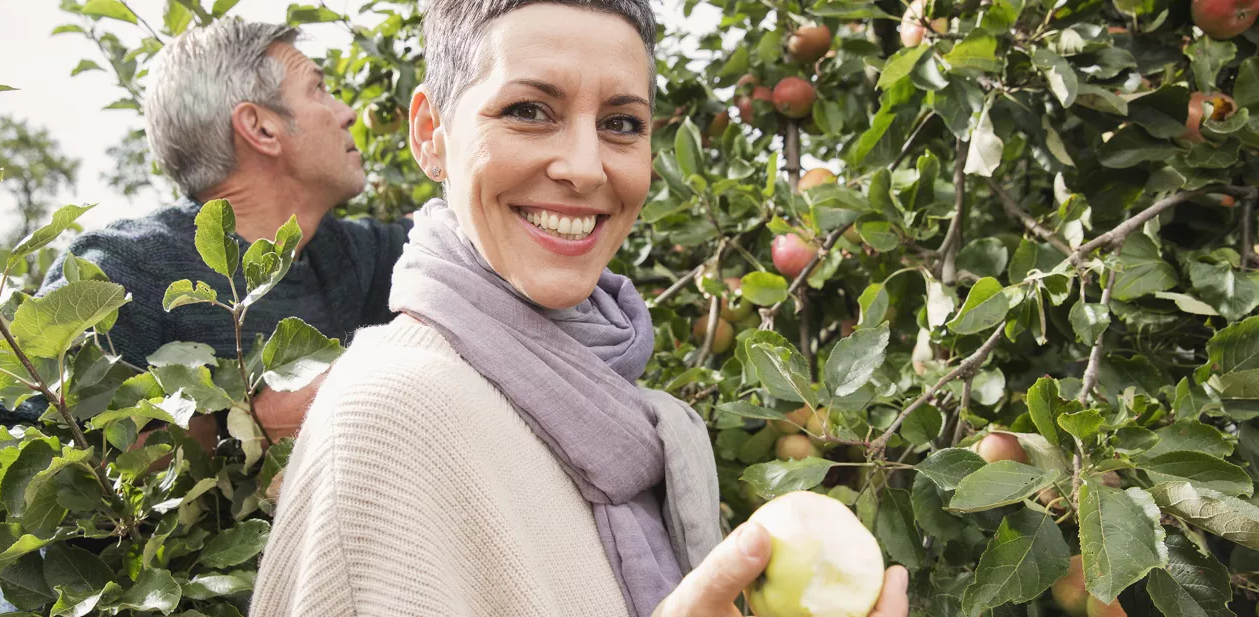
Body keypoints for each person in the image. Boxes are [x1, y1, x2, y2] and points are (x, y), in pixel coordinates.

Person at [249, 2, 909, 616]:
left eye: (622, 123)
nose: (586, 167)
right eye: (529, 111)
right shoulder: (390, 417)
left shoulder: (628, 408)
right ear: (431, 134)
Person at [0, 19, 410, 439]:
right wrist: (234, 435)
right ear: (261, 128)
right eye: (318, 89)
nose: (348, 112)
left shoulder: (344, 255)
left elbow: (457, 229)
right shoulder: (120, 275)